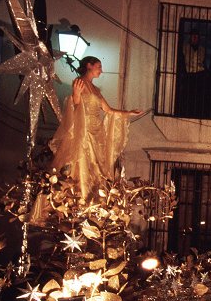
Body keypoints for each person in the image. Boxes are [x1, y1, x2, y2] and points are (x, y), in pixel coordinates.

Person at [47, 56, 142, 200]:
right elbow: (75, 105)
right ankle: (79, 198)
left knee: (96, 167)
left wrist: (128, 113)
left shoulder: (96, 89)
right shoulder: (79, 82)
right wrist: (76, 94)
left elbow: (108, 110)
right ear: (89, 66)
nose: (101, 71)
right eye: (99, 67)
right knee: (82, 163)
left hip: (97, 132)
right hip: (83, 130)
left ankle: (92, 200)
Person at [178, 29, 207, 117]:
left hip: (199, 74)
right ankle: (187, 112)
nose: (195, 38)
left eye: (196, 36)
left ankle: (197, 113)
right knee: (188, 95)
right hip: (189, 75)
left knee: (198, 95)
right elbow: (181, 60)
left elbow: (203, 62)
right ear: (190, 37)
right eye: (193, 36)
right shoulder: (185, 47)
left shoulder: (202, 49)